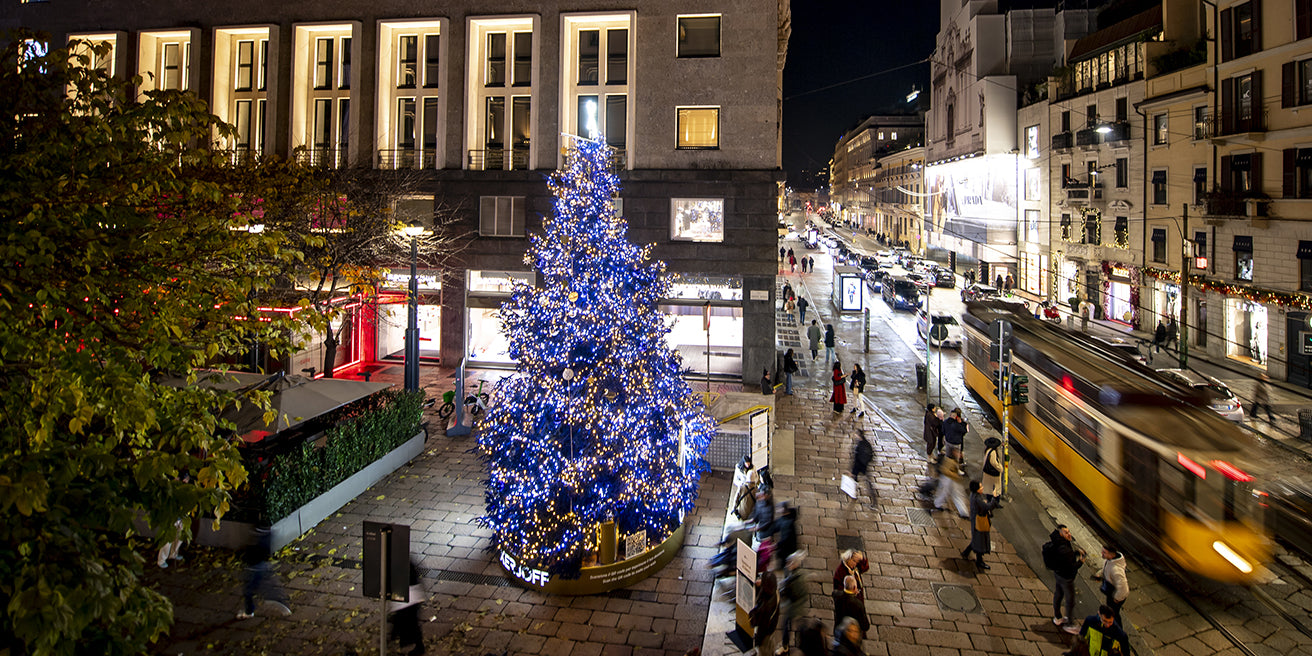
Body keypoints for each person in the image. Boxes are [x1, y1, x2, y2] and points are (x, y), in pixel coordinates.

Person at [237, 521, 292, 619]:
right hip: (261, 566)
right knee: (263, 589)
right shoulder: (267, 536)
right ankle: (281, 606)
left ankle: (249, 611)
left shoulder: (257, 539)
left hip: (254, 568)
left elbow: (252, 553)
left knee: (250, 591)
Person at [1047, 524, 1086, 633]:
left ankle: (1058, 617)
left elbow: (1066, 558)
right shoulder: (1064, 549)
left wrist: (1076, 553)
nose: (1069, 534)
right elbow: (1071, 565)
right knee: (1070, 600)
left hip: (1058, 573)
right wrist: (1081, 562)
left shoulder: (1058, 541)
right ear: (1060, 533)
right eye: (1066, 533)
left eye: (1069, 532)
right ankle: (1069, 624)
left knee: (1058, 594)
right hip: (1066, 578)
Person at [388, 559, 427, 656]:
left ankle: (396, 640)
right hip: (411, 595)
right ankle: (416, 645)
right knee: (411, 621)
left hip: (407, 597)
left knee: (407, 621)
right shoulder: (404, 561)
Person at [960, 480, 1001, 569]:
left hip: (976, 520)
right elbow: (987, 507)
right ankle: (979, 561)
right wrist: (994, 498)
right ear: (977, 489)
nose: (982, 488)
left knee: (977, 538)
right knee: (980, 540)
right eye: (981, 487)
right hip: (979, 521)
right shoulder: (977, 498)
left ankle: (966, 552)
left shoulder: (974, 496)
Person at [1062, 605, 1130, 656]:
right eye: (1104, 621)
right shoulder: (1090, 622)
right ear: (1099, 614)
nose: (1107, 624)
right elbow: (1081, 641)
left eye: (1110, 622)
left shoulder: (1120, 635)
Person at [1091, 545, 1130, 627]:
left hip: (1116, 596)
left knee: (1114, 614)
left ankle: (1117, 629)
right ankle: (1109, 624)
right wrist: (1100, 575)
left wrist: (1116, 598)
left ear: (1112, 555)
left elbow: (1124, 589)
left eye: (1104, 552)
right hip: (1112, 592)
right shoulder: (1109, 560)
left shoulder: (1116, 570)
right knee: (1111, 611)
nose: (1102, 553)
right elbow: (1105, 569)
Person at [779, 552, 809, 652]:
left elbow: (796, 594)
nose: (788, 565)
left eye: (790, 563)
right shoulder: (790, 572)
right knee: (793, 623)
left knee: (788, 624)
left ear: (795, 564)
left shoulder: (798, 579)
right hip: (794, 605)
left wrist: (785, 590)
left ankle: (786, 645)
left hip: (796, 606)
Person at [748, 570, 780, 656]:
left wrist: (758, 640)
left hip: (765, 634)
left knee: (765, 651)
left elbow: (762, 626)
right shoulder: (775, 591)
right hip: (770, 629)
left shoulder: (767, 607)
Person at [932, 445, 967, 517]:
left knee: (957, 495)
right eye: (958, 453)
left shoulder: (955, 460)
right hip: (947, 480)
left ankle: (963, 512)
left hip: (953, 480)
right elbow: (944, 470)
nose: (960, 455)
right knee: (944, 493)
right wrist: (955, 475)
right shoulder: (949, 460)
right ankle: (938, 504)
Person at [850, 430, 876, 502]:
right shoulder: (866, 443)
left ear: (858, 436)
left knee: (854, 480)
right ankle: (874, 500)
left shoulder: (860, 445)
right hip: (864, 466)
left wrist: (853, 469)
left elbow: (857, 458)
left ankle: (854, 494)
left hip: (859, 466)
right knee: (868, 483)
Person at [732, 456, 759, 521]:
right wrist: (741, 484)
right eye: (746, 463)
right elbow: (735, 480)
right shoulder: (738, 468)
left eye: (749, 463)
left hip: (751, 485)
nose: (748, 465)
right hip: (743, 486)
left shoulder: (753, 468)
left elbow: (756, 477)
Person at [981, 437, 1004, 503]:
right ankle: (995, 503)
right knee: (995, 489)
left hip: (987, 473)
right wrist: (1000, 468)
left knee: (989, 489)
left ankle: (990, 501)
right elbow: (994, 463)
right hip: (992, 474)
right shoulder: (993, 452)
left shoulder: (987, 450)